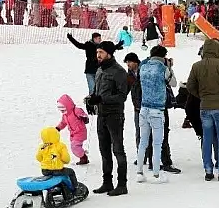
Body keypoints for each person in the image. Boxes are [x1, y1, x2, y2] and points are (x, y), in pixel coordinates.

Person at [85, 41, 129, 196]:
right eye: (97, 52)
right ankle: (107, 182)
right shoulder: (99, 70)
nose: (98, 55)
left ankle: (122, 184)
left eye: (101, 53)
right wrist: (91, 100)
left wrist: (102, 99)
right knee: (104, 150)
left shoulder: (119, 72)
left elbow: (122, 96)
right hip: (101, 115)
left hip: (114, 116)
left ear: (109, 54)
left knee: (117, 149)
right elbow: (97, 92)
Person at [186, 38, 219, 182]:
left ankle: (208, 170)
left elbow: (189, 86)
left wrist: (201, 95)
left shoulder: (196, 66)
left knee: (207, 138)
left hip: (205, 107)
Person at [135, 45, 175, 183]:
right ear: (163, 56)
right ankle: (156, 174)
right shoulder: (163, 69)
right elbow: (173, 83)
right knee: (157, 143)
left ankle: (140, 172)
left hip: (143, 108)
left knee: (143, 142)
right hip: (157, 110)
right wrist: (170, 67)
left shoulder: (143, 67)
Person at [56, 94, 90, 165]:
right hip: (73, 134)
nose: (62, 111)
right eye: (61, 110)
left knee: (74, 146)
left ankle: (83, 157)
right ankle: (83, 157)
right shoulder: (65, 115)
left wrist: (85, 118)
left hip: (80, 132)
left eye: (63, 109)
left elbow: (84, 114)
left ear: (67, 106)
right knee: (75, 147)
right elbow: (63, 123)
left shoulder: (76, 111)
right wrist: (58, 128)